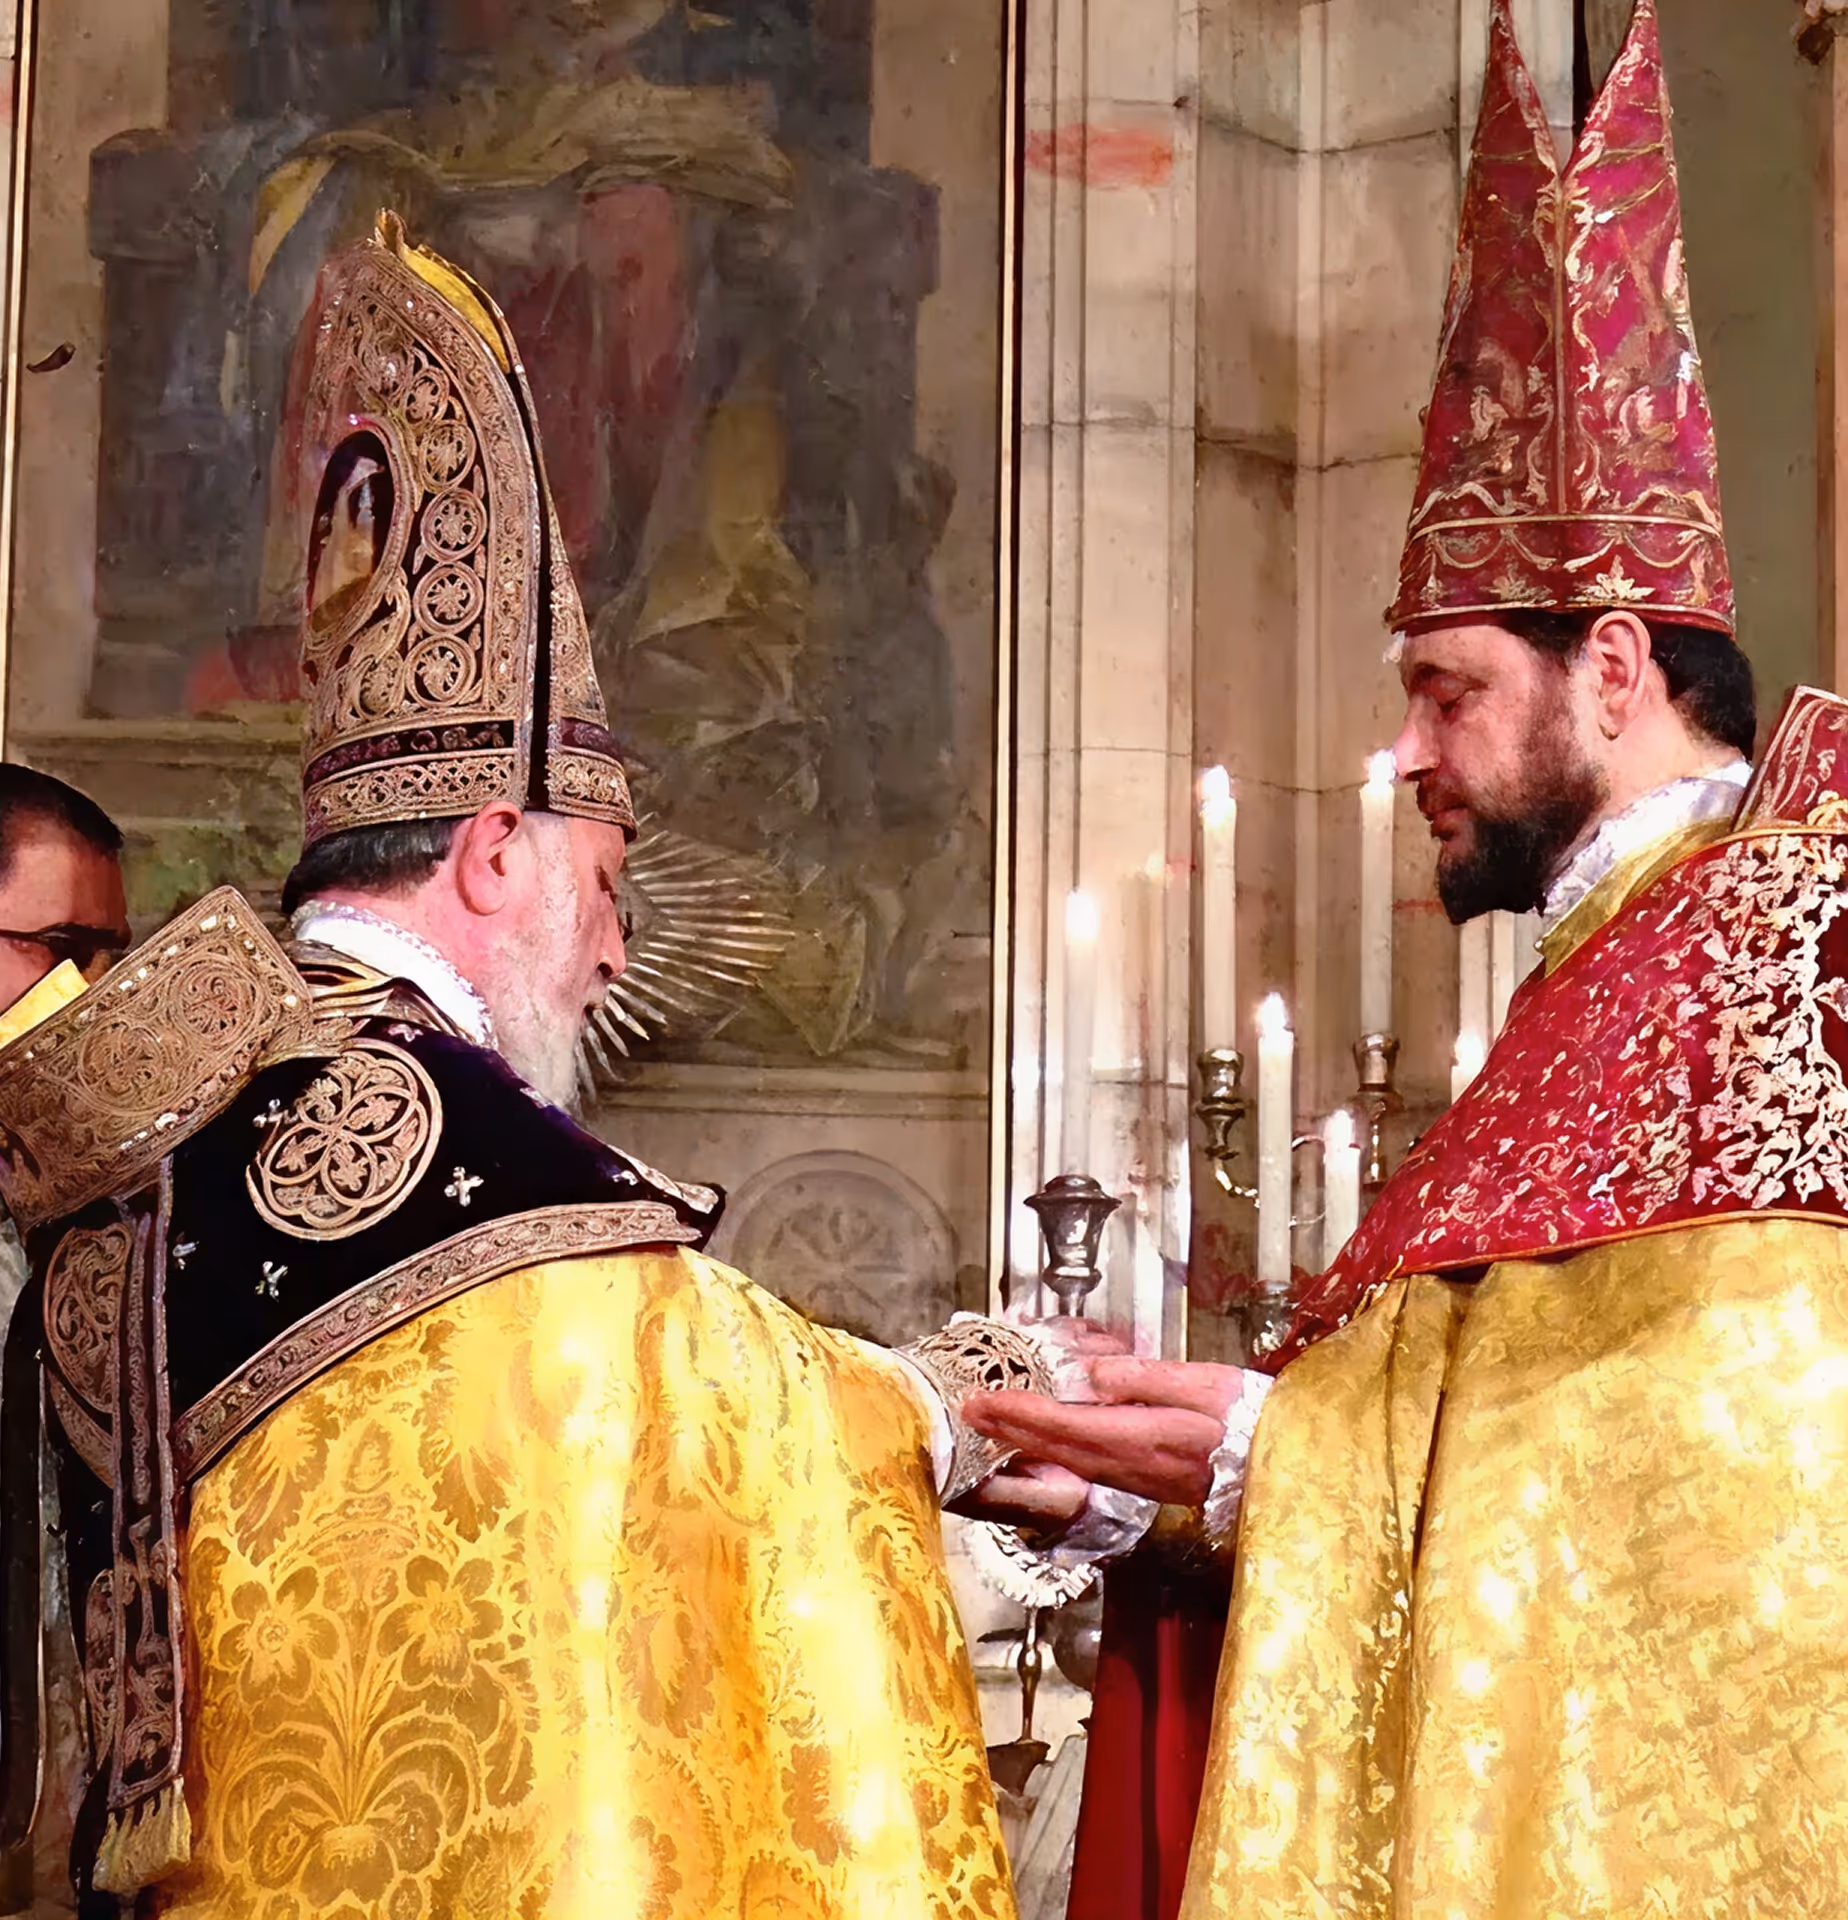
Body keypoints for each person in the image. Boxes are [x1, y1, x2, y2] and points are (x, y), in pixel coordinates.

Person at [0, 216, 1084, 1919]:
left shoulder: (176, 1115)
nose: (619, 945)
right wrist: (973, 1395)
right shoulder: (449, 1147)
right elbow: (699, 1409)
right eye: (606, 880)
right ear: (495, 853)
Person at [967, 3, 1848, 1913]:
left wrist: (1263, 1455)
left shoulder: (1786, 944)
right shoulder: (1612, 968)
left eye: (1451, 694)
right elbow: (1494, 1433)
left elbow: (1748, 1495)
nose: (1410, 757)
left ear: (1613, 667)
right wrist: (1172, 1483)